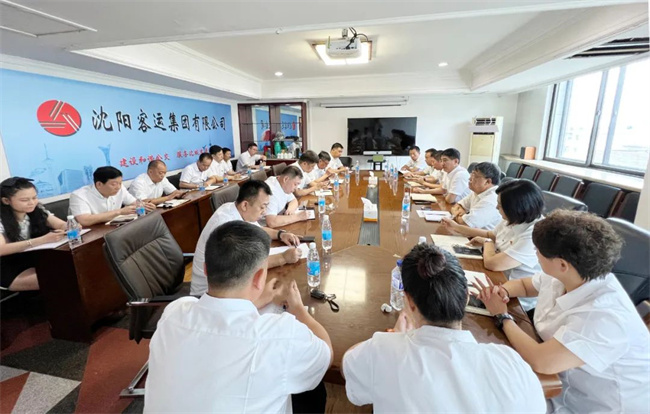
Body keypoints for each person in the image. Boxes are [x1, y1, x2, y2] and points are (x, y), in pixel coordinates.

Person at [146, 221, 333, 413]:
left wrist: (260, 299)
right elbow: (326, 355)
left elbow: (220, 316)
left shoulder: (174, 312)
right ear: (259, 277)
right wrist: (299, 310)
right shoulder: (280, 335)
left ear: (206, 269)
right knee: (313, 390)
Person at [474, 210, 650, 413]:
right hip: (560, 383)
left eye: (538, 250)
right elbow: (524, 285)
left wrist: (502, 316)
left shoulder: (605, 315)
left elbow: (542, 361)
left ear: (562, 264)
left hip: (593, 405)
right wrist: (502, 291)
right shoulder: (569, 275)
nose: (535, 253)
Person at [342, 243, 546, 413]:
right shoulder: (511, 364)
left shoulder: (383, 350)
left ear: (409, 303)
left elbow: (347, 365)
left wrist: (395, 336)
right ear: (466, 297)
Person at [441, 179, 543, 311]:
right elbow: (491, 234)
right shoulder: (514, 219)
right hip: (496, 280)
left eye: (500, 205)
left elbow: (493, 263)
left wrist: (487, 242)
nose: (496, 208)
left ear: (515, 208)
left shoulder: (535, 232)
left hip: (514, 300)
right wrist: (457, 227)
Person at [190, 180, 302, 296]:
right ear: (245, 205)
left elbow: (258, 229)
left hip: (231, 281)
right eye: (262, 207)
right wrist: (283, 258)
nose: (264, 212)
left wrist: (280, 234)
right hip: (210, 293)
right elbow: (247, 266)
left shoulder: (237, 209)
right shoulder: (226, 225)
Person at [0, 177, 67, 291]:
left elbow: (60, 224)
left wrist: (70, 226)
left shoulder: (37, 210)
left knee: (72, 269)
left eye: (34, 197)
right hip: (8, 266)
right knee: (57, 278)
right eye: (24, 200)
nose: (32, 203)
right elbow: (1, 249)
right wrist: (42, 240)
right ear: (6, 201)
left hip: (34, 258)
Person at [69, 166, 154, 226]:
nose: (118, 187)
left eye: (120, 183)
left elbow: (134, 202)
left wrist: (145, 206)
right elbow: (84, 220)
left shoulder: (120, 188)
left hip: (114, 228)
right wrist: (119, 212)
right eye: (114, 184)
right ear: (99, 184)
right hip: (91, 235)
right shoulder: (79, 195)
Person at [449, 162, 502, 230]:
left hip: (481, 236)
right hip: (470, 234)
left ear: (487, 181)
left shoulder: (491, 200)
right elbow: (456, 206)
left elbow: (465, 224)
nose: (469, 178)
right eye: (471, 174)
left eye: (475, 176)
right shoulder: (478, 192)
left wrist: (457, 215)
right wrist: (461, 216)